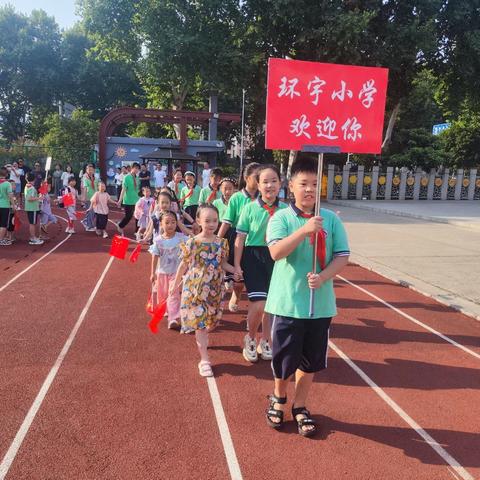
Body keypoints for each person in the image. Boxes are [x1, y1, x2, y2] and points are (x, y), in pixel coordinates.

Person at [264, 158, 350, 437]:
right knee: (284, 360)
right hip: (288, 302)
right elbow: (276, 253)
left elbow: (342, 256)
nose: (310, 190)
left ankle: (300, 406)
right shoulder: (281, 218)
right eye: (304, 184)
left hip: (320, 305)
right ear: (291, 186)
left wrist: (324, 277)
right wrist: (304, 230)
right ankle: (279, 397)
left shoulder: (332, 220)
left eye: (315, 184)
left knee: (310, 361)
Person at [171, 204, 236, 377]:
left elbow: (223, 264)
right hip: (195, 289)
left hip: (215, 289)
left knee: (211, 323)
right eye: (207, 220)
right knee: (200, 324)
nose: (212, 224)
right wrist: (175, 284)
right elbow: (183, 265)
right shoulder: (192, 243)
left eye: (215, 220)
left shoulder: (222, 243)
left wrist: (235, 270)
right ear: (198, 221)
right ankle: (204, 360)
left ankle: (204, 339)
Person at [234, 164, 287, 363]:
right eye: (265, 182)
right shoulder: (249, 208)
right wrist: (237, 265)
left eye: (274, 181)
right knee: (260, 303)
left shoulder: (285, 210)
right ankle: (250, 337)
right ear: (258, 185)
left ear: (280, 184)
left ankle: (266, 339)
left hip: (277, 258)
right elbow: (240, 239)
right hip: (254, 256)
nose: (270, 185)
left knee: (271, 305)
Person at [218, 163, 260, 312]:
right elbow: (227, 222)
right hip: (237, 239)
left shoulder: (264, 197)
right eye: (257, 176)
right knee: (238, 274)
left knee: (256, 277)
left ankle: (254, 308)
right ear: (247, 178)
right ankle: (236, 294)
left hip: (257, 239)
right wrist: (216, 240)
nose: (260, 179)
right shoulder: (236, 197)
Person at [149, 211, 190, 330]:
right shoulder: (158, 240)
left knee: (173, 294)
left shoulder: (180, 238)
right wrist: (152, 273)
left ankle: (173, 318)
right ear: (161, 224)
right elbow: (154, 257)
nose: (170, 225)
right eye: (167, 222)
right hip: (161, 272)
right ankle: (167, 310)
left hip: (176, 273)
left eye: (173, 222)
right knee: (162, 295)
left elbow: (192, 239)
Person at [117, 162, 140, 235]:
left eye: (138, 169)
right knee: (128, 216)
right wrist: (120, 200)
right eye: (135, 168)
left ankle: (137, 231)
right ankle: (120, 225)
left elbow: (138, 190)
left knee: (138, 216)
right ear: (131, 168)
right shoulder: (126, 177)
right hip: (128, 200)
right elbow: (123, 189)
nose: (136, 170)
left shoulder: (137, 178)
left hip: (137, 200)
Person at [24, 172, 44, 245]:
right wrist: (39, 198)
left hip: (29, 207)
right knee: (32, 223)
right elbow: (29, 198)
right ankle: (33, 238)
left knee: (32, 223)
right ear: (34, 179)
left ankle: (32, 237)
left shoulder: (27, 186)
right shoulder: (32, 188)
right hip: (32, 208)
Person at [0, 167, 16, 246]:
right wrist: (13, 205)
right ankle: (1, 239)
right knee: (3, 224)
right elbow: (10, 195)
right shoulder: (7, 184)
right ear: (6, 174)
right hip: (5, 205)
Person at [81, 163, 98, 232]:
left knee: (95, 212)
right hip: (89, 197)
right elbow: (85, 188)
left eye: (91, 170)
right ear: (86, 170)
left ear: (94, 170)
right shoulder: (85, 178)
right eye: (88, 169)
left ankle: (85, 221)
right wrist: (84, 197)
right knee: (90, 212)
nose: (90, 171)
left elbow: (97, 187)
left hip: (95, 197)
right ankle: (89, 226)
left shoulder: (95, 178)